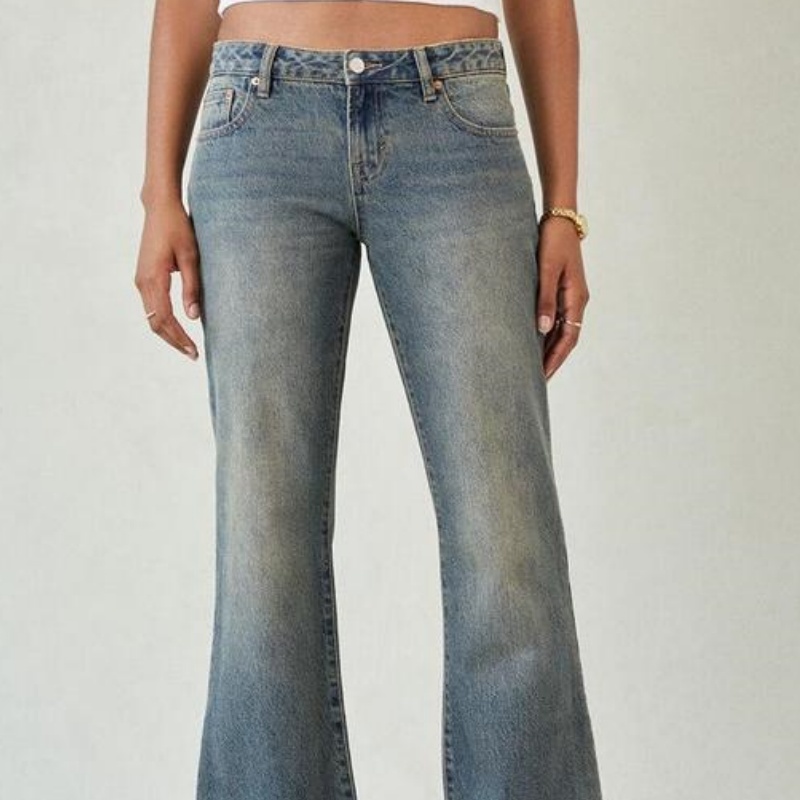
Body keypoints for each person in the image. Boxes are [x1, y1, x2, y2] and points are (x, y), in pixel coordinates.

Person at [134, 0, 602, 798]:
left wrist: (563, 208)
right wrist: (159, 197)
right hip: (259, 126)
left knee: (506, 536)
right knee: (262, 539)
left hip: (454, 121)